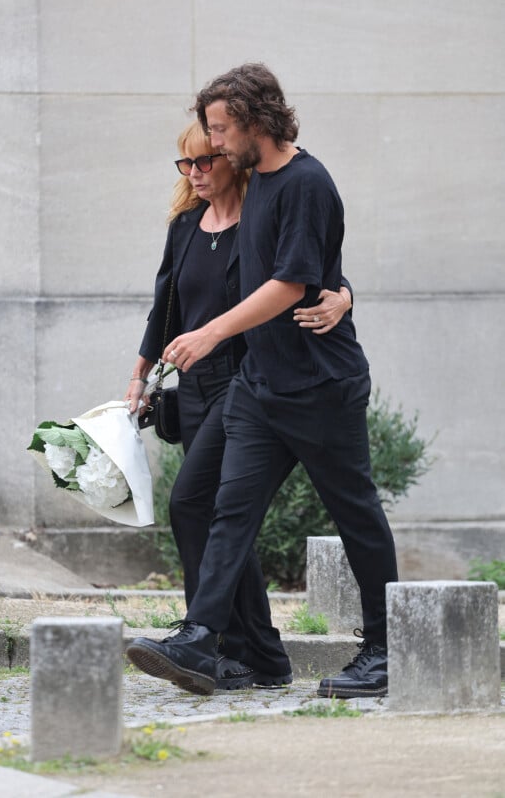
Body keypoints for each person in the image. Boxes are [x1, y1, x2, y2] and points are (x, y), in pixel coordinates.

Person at [126, 64, 398, 699]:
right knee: (226, 511)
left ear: (253, 120)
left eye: (220, 130)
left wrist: (214, 332)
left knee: (355, 513)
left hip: (320, 386)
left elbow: (297, 281)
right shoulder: (256, 185)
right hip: (260, 386)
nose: (213, 144)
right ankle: (202, 635)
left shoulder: (306, 183)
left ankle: (385, 651)